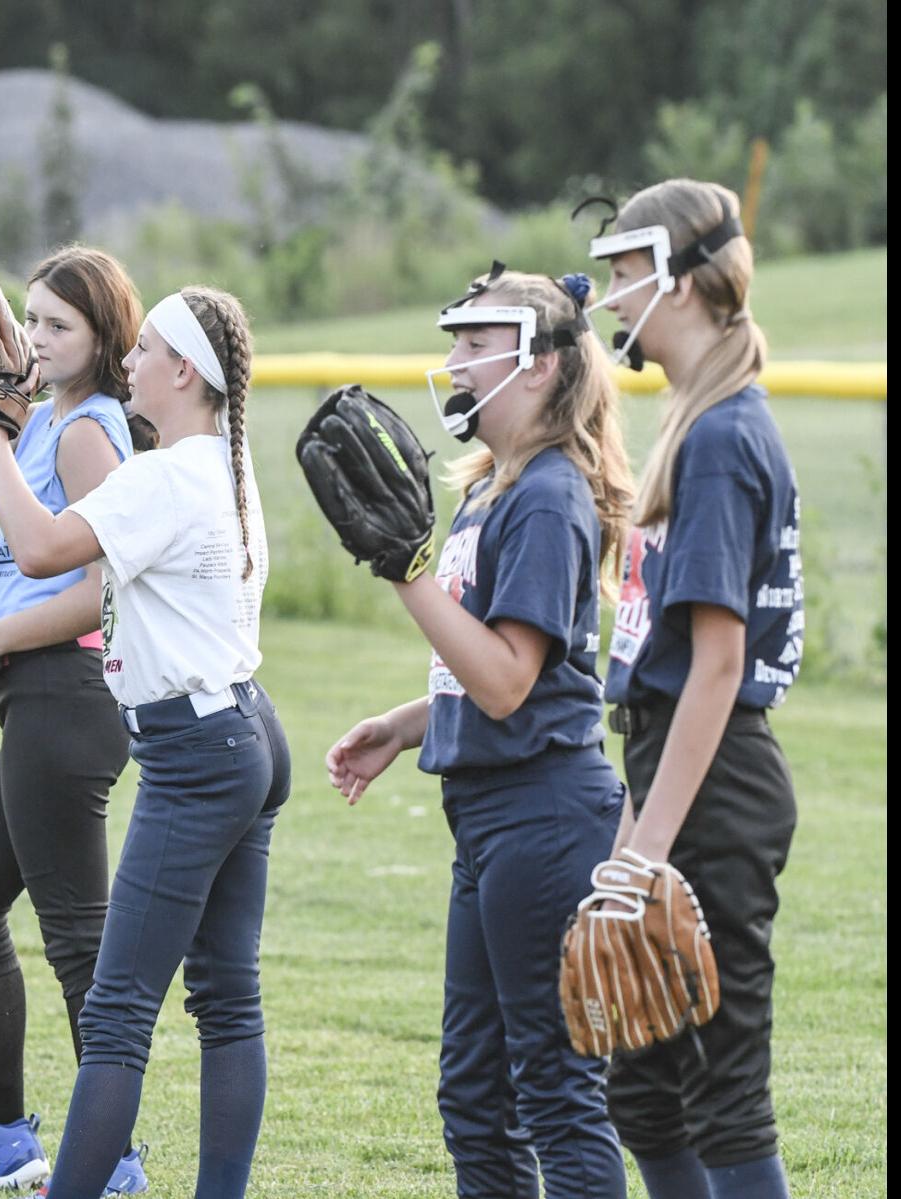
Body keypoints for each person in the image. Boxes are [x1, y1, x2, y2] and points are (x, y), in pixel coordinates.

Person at [0, 284, 290, 1199]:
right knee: (227, 1001)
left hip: (198, 750)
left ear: (183, 370)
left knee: (115, 1017)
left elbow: (36, 552)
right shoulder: (219, 463)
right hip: (244, 726)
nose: (131, 360)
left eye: (145, 348)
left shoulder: (165, 473)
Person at [326, 265, 635, 1197]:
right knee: (472, 1094)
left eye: (472, 343)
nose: (452, 362)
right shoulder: (493, 487)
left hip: (542, 819)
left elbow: (507, 685)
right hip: (492, 817)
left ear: (536, 364)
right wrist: (406, 722)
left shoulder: (546, 493)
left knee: (554, 1092)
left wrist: (405, 573)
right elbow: (504, 671)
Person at [0, 247, 151, 1193]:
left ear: (104, 339)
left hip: (67, 692)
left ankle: (113, 1159)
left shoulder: (87, 431)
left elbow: (98, 592)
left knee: (78, 943)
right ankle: (3, 1133)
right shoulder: (34, 414)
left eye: (59, 326)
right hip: (35, 696)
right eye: (31, 320)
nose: (40, 340)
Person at [587, 178, 802, 1199]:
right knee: (643, 1086)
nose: (615, 297)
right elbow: (657, 685)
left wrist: (649, 854)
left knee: (720, 1093)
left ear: (678, 279)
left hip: (718, 789)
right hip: (678, 765)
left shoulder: (721, 436)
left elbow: (717, 664)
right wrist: (630, 840)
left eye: (626, 273)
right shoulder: (696, 420)